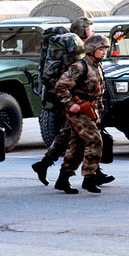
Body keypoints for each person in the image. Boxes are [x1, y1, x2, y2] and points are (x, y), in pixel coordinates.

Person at [31, 17, 114, 187]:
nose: (94, 32)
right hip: (73, 101)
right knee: (85, 137)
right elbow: (69, 79)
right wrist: (73, 102)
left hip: (76, 101)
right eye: (91, 30)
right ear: (83, 31)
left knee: (69, 135)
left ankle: (47, 166)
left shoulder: (81, 49)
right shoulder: (73, 47)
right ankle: (90, 174)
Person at [53, 34, 110, 194]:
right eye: (101, 49)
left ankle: (63, 179)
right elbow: (61, 86)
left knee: (77, 146)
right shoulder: (79, 66)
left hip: (91, 111)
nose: (104, 52)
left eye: (105, 49)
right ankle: (89, 178)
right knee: (94, 140)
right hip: (79, 112)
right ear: (92, 49)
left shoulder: (97, 66)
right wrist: (70, 104)